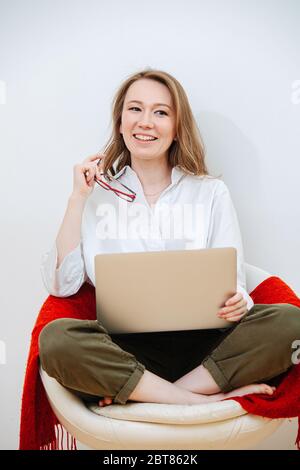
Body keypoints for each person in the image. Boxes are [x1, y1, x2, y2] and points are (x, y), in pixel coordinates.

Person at [39, 68, 300, 408]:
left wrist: (239, 301)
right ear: (120, 122)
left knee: (291, 323)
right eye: (135, 109)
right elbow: (62, 286)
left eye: (160, 112)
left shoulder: (210, 192)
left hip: (204, 351)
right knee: (56, 340)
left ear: (176, 129)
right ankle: (194, 401)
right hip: (126, 351)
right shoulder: (95, 196)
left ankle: (154, 394)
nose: (145, 121)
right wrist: (77, 200)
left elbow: (233, 282)